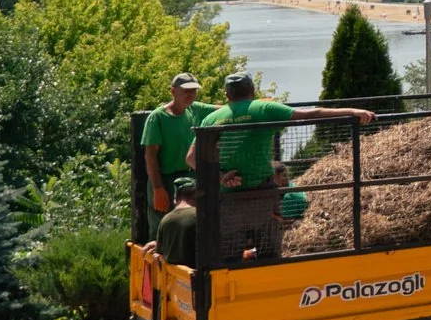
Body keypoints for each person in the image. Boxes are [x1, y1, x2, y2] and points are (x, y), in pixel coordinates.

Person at [197, 74, 375, 260]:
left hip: (228, 199)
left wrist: (221, 176)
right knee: (270, 253)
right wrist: (352, 112)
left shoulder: (211, 119)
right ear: (252, 91)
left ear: (227, 95)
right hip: (263, 195)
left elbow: (192, 157)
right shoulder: (263, 107)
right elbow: (310, 114)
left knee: (229, 258)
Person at [139, 73, 212, 217]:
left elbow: (224, 110)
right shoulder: (158, 117)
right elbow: (150, 156)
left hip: (189, 178)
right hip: (166, 180)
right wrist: (158, 188)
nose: (190, 94)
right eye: (186, 90)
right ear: (173, 91)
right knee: (162, 225)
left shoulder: (194, 109)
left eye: (194, 90)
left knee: (190, 221)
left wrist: (252, 102)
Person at [150, 177, 198, 270]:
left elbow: (160, 253)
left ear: (175, 198)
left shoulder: (165, 220)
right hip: (202, 280)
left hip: (174, 281)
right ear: (195, 196)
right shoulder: (201, 216)